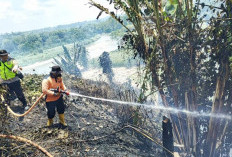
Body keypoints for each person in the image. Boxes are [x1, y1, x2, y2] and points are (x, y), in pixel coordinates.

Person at [0, 50, 28, 117]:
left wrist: (15, 68)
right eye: (4, 56)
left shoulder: (11, 60)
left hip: (14, 80)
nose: (6, 56)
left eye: (6, 55)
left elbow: (16, 64)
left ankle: (25, 104)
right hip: (5, 81)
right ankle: (10, 108)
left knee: (19, 93)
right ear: (1, 56)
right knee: (8, 95)